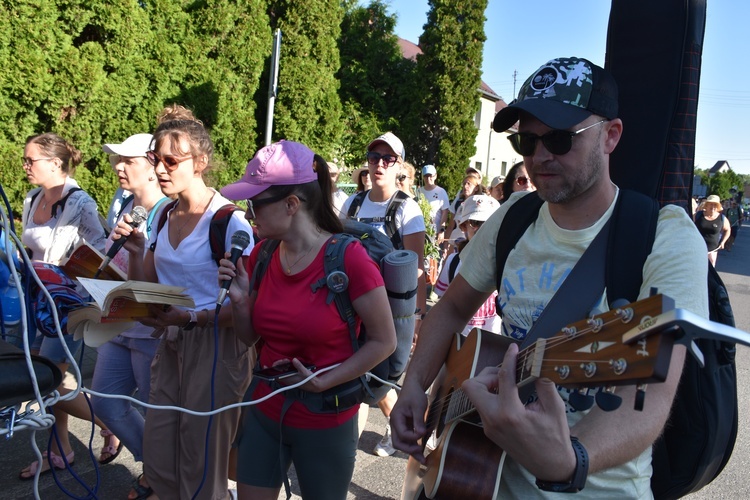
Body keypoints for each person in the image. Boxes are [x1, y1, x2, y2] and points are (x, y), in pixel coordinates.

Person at [391, 57, 708, 497]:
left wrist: (570, 460)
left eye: (559, 139)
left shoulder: (664, 235)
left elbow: (652, 393)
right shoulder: (515, 217)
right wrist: (414, 387)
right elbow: (451, 307)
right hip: (478, 476)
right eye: (526, 140)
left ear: (610, 135)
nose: (539, 156)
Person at [219, 140, 395, 499]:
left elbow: (385, 341)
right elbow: (249, 337)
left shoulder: (349, 260)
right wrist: (239, 302)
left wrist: (327, 379)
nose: (249, 214)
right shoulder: (263, 256)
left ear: (291, 204)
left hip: (325, 420)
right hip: (264, 411)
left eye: (255, 203)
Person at [113, 104, 253, 499]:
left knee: (201, 454)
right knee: (160, 448)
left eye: (171, 161)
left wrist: (191, 318)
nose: (160, 169)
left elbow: (246, 307)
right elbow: (151, 288)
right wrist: (139, 251)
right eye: (156, 159)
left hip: (216, 345)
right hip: (173, 338)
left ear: (201, 162)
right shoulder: (161, 216)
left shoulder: (228, 221)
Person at [18, 133, 119, 480]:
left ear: (55, 164)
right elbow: (31, 250)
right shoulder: (32, 199)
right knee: (49, 378)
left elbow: (103, 254)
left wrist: (63, 276)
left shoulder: (81, 203)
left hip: (67, 306)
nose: (25, 166)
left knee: (47, 379)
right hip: (37, 303)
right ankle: (60, 451)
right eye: (25, 160)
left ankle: (110, 423)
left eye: (31, 160)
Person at [89, 133, 169, 500]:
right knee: (105, 401)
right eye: (116, 160)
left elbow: (169, 280)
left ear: (154, 166)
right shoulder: (124, 206)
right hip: (118, 322)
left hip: (150, 330)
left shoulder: (170, 212)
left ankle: (162, 479)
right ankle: (154, 469)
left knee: (158, 416)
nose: (119, 167)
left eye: (129, 160)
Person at [341, 131, 426, 458]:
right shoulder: (353, 203)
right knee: (358, 378)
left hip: (389, 310)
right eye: (374, 157)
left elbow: (415, 270)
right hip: (352, 306)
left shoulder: (408, 209)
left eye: (387, 159)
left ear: (398, 166)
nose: (378, 164)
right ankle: (348, 446)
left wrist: (416, 318)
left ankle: (397, 428)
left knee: (377, 377)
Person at [433, 194, 501, 337]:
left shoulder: (505, 263)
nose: (482, 229)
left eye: (488, 223)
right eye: (475, 222)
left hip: (494, 345)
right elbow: (443, 307)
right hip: (459, 345)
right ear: (463, 226)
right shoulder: (453, 262)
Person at [417, 164, 450, 244]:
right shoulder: (418, 192)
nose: (428, 178)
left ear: (435, 176)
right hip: (420, 229)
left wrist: (442, 230)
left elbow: (445, 211)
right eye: (426, 176)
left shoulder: (441, 191)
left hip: (435, 231)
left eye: (431, 176)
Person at [694, 194, 730, 266]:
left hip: (712, 250)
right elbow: (690, 227)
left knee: (710, 271)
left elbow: (728, 230)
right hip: (696, 249)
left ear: (718, 207)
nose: (713, 207)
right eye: (711, 204)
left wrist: (723, 242)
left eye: (715, 205)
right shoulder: (698, 215)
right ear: (706, 205)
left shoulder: (722, 218)